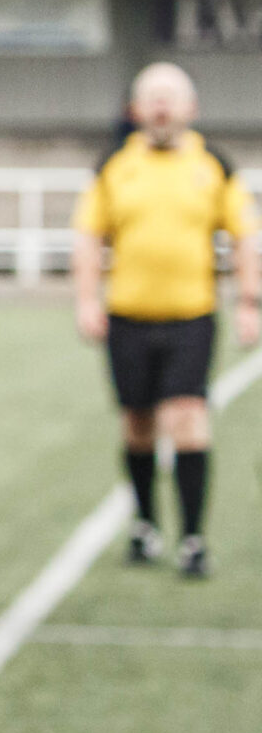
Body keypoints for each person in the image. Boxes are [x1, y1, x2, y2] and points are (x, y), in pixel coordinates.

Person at [72, 62, 262, 579]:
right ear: (135, 109)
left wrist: (249, 300)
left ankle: (193, 538)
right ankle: (145, 525)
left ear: (191, 108)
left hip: (190, 317)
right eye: (151, 97)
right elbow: (90, 237)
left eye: (170, 97)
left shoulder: (214, 164)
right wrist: (86, 299)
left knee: (187, 418)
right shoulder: (114, 164)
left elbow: (245, 236)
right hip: (128, 317)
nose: (161, 106)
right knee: (137, 424)